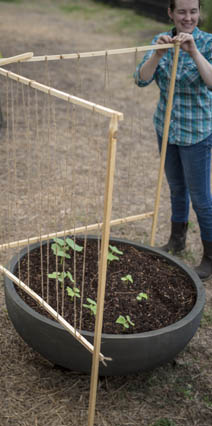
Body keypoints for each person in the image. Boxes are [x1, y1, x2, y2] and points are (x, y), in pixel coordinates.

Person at [135, 0, 212, 280]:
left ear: (199, 13)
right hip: (167, 129)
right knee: (177, 188)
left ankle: (210, 256)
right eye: (181, 11)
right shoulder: (160, 41)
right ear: (170, 13)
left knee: (202, 198)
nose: (188, 17)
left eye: (193, 11)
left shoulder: (208, 42)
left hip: (196, 133)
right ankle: (176, 240)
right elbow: (141, 79)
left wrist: (193, 52)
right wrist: (157, 55)